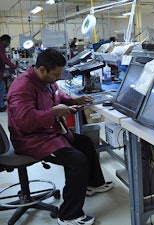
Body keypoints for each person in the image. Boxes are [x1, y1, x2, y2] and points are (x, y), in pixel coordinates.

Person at [7, 49, 113, 225]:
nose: (58, 77)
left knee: (85, 142)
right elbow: (25, 121)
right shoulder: (22, 87)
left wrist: (74, 101)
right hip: (31, 140)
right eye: (56, 74)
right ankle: (69, 215)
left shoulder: (46, 81)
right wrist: (53, 113)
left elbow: (57, 96)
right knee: (77, 160)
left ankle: (93, 184)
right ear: (42, 70)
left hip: (49, 132)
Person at [0, 34, 18, 112]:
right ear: (5, 41)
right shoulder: (0, 46)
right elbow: (4, 58)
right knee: (2, 87)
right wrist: (15, 66)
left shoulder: (1, 46)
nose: (9, 44)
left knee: (2, 86)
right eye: (9, 42)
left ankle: (1, 104)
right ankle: (1, 105)